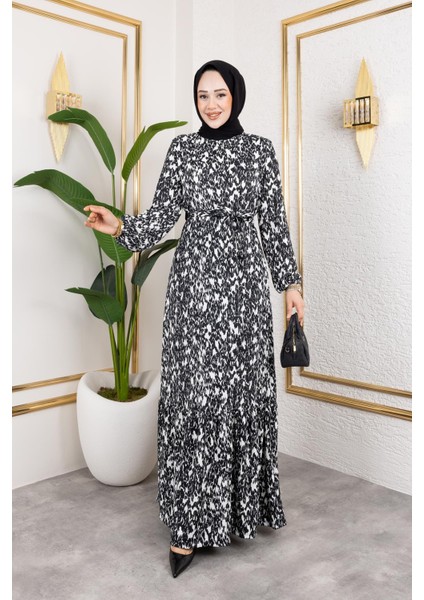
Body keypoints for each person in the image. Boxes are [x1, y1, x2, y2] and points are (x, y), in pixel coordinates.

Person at [84, 59, 304, 578]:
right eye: (203, 95)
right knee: (194, 399)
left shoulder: (259, 151)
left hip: (245, 293)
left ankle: (239, 511)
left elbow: (273, 223)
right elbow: (162, 217)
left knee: (241, 394)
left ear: (236, 96)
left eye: (220, 94)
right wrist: (121, 227)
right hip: (194, 291)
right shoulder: (182, 149)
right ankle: (188, 524)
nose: (211, 104)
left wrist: (291, 287)